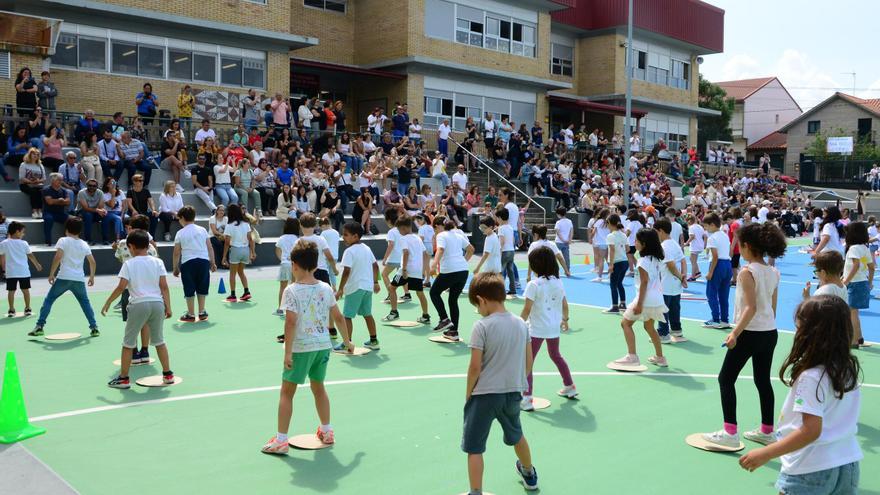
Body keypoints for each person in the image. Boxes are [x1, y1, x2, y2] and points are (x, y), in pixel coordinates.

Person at [737, 295, 862, 494]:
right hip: (848, 463)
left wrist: (765, 454)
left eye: (800, 325)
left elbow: (811, 430)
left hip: (810, 466)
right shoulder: (846, 369)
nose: (797, 329)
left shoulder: (812, 377)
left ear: (813, 333)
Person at [260, 240, 354, 455]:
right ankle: (327, 430)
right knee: (318, 387)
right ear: (315, 264)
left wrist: (287, 352)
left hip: (301, 347)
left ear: (294, 265)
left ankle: (281, 440)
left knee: (287, 392)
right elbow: (338, 317)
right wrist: (347, 341)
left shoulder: (291, 291)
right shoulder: (326, 287)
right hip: (322, 346)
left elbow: (291, 322)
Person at [700, 222, 786, 450]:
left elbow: (751, 308)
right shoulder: (773, 271)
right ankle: (767, 430)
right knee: (762, 380)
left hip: (749, 333)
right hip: (769, 332)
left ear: (747, 246)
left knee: (725, 379)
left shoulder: (747, 272)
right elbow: (772, 307)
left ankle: (730, 432)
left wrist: (734, 333)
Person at [462, 272, 538, 494]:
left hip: (484, 394)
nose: (478, 311)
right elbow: (529, 359)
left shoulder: (482, 326)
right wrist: (519, 381)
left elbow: (475, 366)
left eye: (477, 305)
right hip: (512, 392)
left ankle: (476, 491)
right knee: (516, 434)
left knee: (474, 447)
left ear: (482, 300)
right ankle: (529, 473)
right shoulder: (521, 324)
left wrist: (469, 393)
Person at [102, 230, 174, 389]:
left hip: (138, 304)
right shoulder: (158, 262)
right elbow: (164, 287)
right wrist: (168, 307)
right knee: (160, 341)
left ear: (131, 247)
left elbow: (121, 287)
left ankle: (124, 378)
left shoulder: (128, 264)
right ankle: (168, 375)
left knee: (128, 343)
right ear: (148, 246)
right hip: (157, 304)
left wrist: (108, 302)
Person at [520, 246, 576, 411]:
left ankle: (527, 398)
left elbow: (526, 310)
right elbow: (565, 304)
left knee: (527, 362)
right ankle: (570, 386)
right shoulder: (558, 282)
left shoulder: (534, 284)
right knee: (556, 355)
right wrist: (565, 319)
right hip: (553, 327)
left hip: (536, 329)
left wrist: (517, 324)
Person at [29, 217, 98, 337]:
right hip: (78, 280)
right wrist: (92, 277)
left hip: (64, 277)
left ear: (66, 229)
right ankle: (94, 327)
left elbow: (58, 257)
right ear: (80, 230)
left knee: (49, 300)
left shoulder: (63, 240)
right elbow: (92, 262)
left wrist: (51, 274)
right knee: (85, 303)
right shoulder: (84, 244)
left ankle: (40, 326)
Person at [612, 228, 668, 368]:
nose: (634, 243)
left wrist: (639, 304)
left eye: (636, 240)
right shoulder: (655, 259)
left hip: (645, 299)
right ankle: (660, 357)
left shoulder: (643, 261)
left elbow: (644, 282)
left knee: (625, 323)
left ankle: (632, 356)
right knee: (649, 327)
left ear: (643, 243)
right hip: (657, 299)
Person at [335, 222, 381, 350]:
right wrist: (376, 282)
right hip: (367, 287)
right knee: (367, 314)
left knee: (347, 316)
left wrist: (340, 290)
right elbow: (376, 266)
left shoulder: (349, 251)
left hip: (355, 288)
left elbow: (346, 271)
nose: (343, 237)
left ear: (355, 236)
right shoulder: (366, 248)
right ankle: (374, 340)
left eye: (346, 235)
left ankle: (346, 342)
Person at [430, 216, 474, 341]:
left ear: (438, 226)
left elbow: (441, 250)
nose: (435, 232)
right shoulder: (458, 235)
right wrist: (462, 262)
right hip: (463, 271)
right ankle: (453, 332)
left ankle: (444, 319)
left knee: (434, 293)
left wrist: (433, 265)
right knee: (453, 300)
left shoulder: (441, 235)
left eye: (435, 229)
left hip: (449, 270)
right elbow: (471, 249)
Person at [298, 213, 340, 338]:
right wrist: (334, 269)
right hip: (321, 272)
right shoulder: (320, 239)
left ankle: (308, 329)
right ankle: (332, 329)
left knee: (305, 302)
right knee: (329, 301)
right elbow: (330, 257)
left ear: (300, 225)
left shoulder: (299, 241)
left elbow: (295, 261)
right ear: (315, 225)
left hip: (305, 273)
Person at [172, 206, 216, 322]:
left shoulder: (180, 233)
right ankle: (202, 311)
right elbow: (210, 247)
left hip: (188, 262)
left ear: (182, 218)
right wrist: (213, 262)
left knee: (189, 286)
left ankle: (191, 313)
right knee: (202, 285)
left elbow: (177, 252)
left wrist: (175, 267)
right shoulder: (202, 230)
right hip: (203, 261)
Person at [655, 218, 688, 343]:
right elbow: (683, 260)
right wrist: (683, 276)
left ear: (661, 231)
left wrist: (681, 277)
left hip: (666, 283)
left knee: (663, 309)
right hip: (676, 283)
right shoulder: (674, 243)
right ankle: (677, 331)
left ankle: (663, 334)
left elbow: (671, 265)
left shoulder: (664, 246)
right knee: (675, 307)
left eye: (656, 232)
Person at [0, 222, 42, 317]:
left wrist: (3, 269)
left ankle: (11, 309)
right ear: (17, 232)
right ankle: (27, 308)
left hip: (11, 272)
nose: (24, 234)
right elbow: (30, 255)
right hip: (23, 272)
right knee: (25, 290)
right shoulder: (24, 243)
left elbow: (1, 257)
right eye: (23, 232)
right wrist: (37, 264)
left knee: (11, 291)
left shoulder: (4, 243)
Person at [842, 222, 874, 348]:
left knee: (852, 313)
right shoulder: (864, 248)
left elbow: (856, 265)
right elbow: (871, 267)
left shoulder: (854, 248)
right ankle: (859, 338)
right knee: (855, 312)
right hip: (862, 282)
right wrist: (870, 283)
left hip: (854, 284)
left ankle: (854, 341)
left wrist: (846, 281)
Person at [397, 216, 431, 324]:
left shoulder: (403, 238)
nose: (399, 232)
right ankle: (425, 315)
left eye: (399, 230)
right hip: (417, 271)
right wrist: (424, 272)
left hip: (405, 270)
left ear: (403, 228)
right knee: (420, 293)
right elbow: (425, 254)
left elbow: (406, 253)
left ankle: (393, 312)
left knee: (391, 288)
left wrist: (405, 270)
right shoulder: (417, 238)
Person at [703, 213, 733, 329]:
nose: (706, 229)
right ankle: (724, 320)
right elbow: (729, 251)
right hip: (727, 264)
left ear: (712, 224)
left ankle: (715, 319)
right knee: (724, 295)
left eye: (706, 226)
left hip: (718, 265)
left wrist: (710, 272)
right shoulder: (724, 235)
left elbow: (715, 256)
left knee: (711, 293)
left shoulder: (712, 238)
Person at [222, 204, 255, 303]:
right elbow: (251, 239)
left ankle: (232, 295)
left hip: (235, 250)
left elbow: (227, 242)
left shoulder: (229, 225)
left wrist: (224, 257)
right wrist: (252, 252)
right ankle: (246, 291)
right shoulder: (246, 224)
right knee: (241, 272)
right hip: (245, 250)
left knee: (232, 273)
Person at [380, 208, 408, 322]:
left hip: (394, 258)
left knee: (384, 274)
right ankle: (407, 293)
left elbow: (391, 245)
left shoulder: (392, 231)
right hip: (402, 258)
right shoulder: (402, 229)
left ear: (388, 220)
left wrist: (385, 258)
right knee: (403, 276)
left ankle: (389, 293)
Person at [274, 218, 300, 317]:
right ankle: (293, 308)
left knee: (282, 287)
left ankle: (280, 308)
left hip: (284, 264)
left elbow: (277, 250)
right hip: (295, 264)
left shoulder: (282, 238)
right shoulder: (297, 239)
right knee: (294, 286)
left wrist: (282, 259)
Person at [603, 214, 628, 313]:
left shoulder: (610, 236)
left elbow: (612, 250)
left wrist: (611, 265)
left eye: (607, 223)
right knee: (619, 283)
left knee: (613, 284)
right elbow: (628, 249)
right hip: (624, 261)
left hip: (616, 263)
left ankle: (614, 306)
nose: (607, 226)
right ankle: (623, 304)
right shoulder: (623, 234)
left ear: (609, 223)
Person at [42, 173, 72, 246]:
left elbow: (68, 202)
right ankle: (48, 241)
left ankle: (68, 240)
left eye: (61, 180)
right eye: (58, 180)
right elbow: (49, 202)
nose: (60, 181)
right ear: (53, 181)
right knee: (48, 219)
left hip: (60, 213)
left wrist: (56, 201)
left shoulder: (64, 190)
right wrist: (60, 201)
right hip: (48, 212)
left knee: (72, 220)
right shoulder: (46, 189)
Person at [19, 148, 46, 219]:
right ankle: (34, 211)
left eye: (37, 154)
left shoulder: (40, 165)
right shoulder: (24, 164)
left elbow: (44, 178)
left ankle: (39, 211)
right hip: (25, 185)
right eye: (33, 154)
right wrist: (31, 182)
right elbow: (21, 178)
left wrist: (38, 181)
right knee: (33, 191)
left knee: (41, 192)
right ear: (30, 154)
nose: (35, 156)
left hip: (37, 184)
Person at [496, 208, 517, 295]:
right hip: (511, 250)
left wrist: (499, 253)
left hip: (504, 251)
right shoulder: (510, 227)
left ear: (500, 218)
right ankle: (513, 289)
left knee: (501, 271)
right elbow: (513, 240)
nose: (497, 219)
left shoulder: (501, 228)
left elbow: (502, 242)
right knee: (510, 271)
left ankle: (500, 289)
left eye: (497, 218)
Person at [319, 216, 340, 290]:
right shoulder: (336, 232)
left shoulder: (323, 233)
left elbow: (321, 245)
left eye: (321, 227)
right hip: (335, 256)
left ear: (324, 225)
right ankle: (334, 288)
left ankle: (327, 289)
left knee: (326, 272)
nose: (321, 228)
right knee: (332, 273)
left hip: (326, 256)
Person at [590, 208, 610, 282]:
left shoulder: (598, 221)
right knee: (607, 258)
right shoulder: (608, 221)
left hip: (601, 242)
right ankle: (611, 273)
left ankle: (599, 277)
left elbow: (593, 232)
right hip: (607, 242)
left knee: (601, 259)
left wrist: (591, 238)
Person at [685, 214, 706, 281]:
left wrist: (686, 243)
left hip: (695, 246)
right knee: (692, 259)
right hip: (700, 245)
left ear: (690, 221)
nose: (687, 222)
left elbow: (692, 236)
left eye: (688, 220)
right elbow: (705, 236)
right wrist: (704, 244)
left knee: (693, 261)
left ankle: (693, 276)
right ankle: (697, 272)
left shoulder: (691, 227)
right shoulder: (700, 226)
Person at [554, 207, 573, 272]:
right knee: (566, 257)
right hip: (566, 242)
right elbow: (571, 231)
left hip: (559, 242)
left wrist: (562, 240)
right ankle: (567, 270)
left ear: (559, 214)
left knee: (555, 257)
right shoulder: (569, 221)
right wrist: (569, 239)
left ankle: (554, 270)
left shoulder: (558, 222)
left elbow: (558, 232)